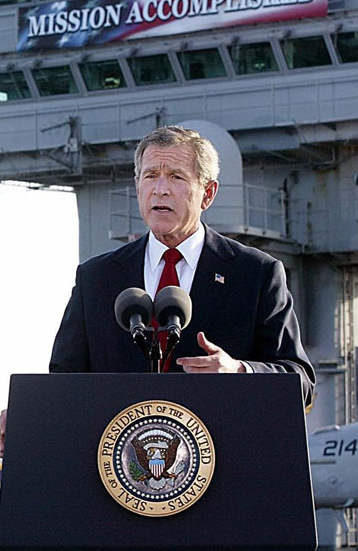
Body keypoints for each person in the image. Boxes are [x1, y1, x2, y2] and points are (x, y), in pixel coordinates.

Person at [49, 125, 315, 403]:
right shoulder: (96, 278)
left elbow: (300, 381)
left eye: (176, 177)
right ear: (138, 187)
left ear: (208, 194)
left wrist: (239, 370)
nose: (160, 190)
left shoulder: (256, 274)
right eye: (150, 176)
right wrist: (23, 414)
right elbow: (62, 380)